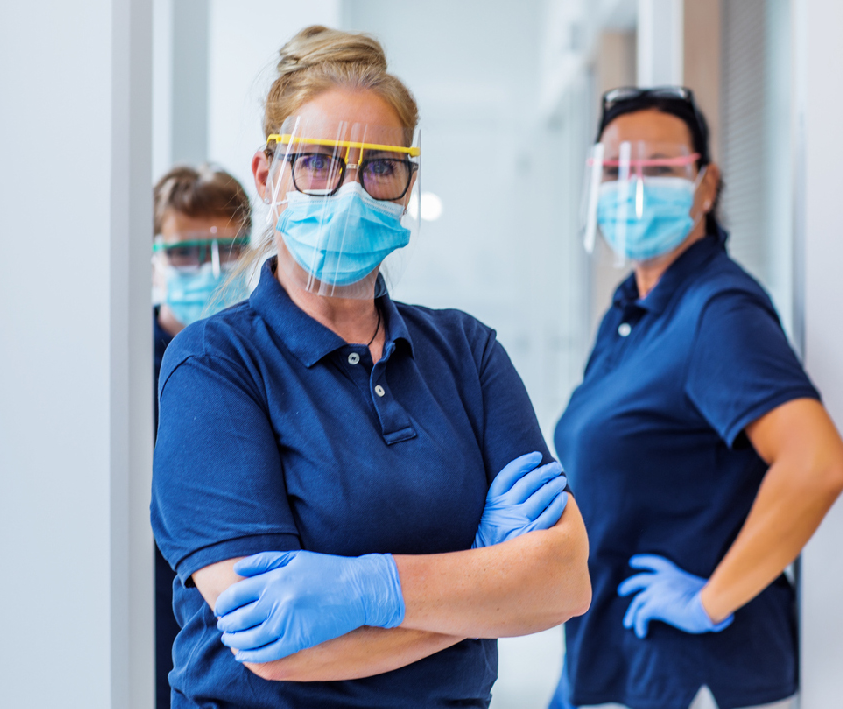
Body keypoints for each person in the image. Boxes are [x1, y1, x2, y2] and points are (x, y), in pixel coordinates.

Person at [151, 25, 591, 709]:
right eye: (318, 162)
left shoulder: (467, 352)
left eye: (380, 167)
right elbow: (280, 645)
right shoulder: (215, 363)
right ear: (268, 175)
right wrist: (480, 582)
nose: (350, 191)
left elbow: (563, 580)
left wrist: (372, 589)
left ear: (407, 185)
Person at [549, 87, 843, 709]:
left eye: (657, 169)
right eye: (614, 170)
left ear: (705, 185)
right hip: (614, 658)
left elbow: (816, 464)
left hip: (691, 672)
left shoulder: (718, 312)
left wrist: (710, 600)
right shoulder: (631, 310)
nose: (631, 186)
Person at [151, 164, 253, 709]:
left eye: (227, 250)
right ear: (152, 260)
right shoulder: (124, 375)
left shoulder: (259, 363)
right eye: (184, 253)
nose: (209, 269)